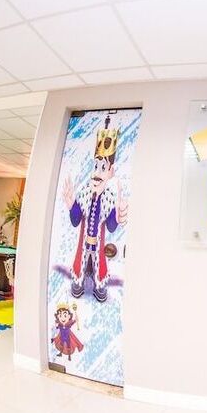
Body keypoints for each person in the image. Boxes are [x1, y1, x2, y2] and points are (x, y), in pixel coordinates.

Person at [62, 115, 128, 302]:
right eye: (96, 166)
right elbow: (76, 220)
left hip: (99, 245)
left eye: (103, 168)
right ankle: (79, 282)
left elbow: (112, 227)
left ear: (110, 172)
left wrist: (118, 214)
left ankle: (99, 285)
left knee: (99, 267)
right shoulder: (84, 193)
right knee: (81, 264)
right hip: (84, 243)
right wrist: (71, 204)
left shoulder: (110, 197)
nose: (97, 173)